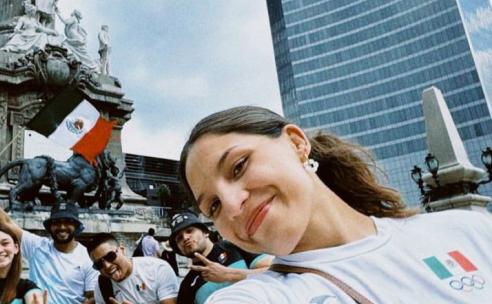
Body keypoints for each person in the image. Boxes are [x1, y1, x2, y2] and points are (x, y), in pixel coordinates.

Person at [180, 106, 492, 303]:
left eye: (239, 166)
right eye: (214, 207)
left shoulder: (466, 229)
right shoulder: (263, 296)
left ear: (296, 143)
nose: (233, 206)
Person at [0, 169, 98, 304]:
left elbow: (91, 297)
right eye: (57, 222)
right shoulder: (37, 246)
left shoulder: (88, 257)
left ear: (76, 226)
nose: (62, 227)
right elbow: (4, 222)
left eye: (68, 222)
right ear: (50, 226)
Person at [169, 211, 272, 304]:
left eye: (189, 231)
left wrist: (229, 274)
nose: (185, 238)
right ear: (178, 248)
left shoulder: (234, 246)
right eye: (179, 238)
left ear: (205, 232)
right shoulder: (187, 285)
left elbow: (277, 271)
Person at [87, 233, 178, 304]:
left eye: (110, 256)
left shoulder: (158, 269)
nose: (107, 266)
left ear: (122, 250)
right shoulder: (102, 286)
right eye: (99, 264)